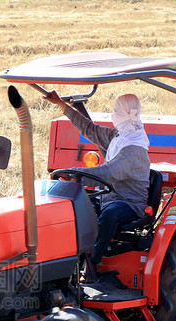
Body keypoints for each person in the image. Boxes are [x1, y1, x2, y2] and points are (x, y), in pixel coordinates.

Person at [43, 91, 151, 265]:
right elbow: (91, 130)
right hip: (109, 197)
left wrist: (70, 173)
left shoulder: (133, 149)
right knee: (75, 206)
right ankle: (66, 256)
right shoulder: (120, 136)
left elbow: (107, 173)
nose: (113, 115)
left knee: (109, 215)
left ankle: (93, 263)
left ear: (122, 114)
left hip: (129, 202)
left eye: (115, 111)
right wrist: (62, 105)